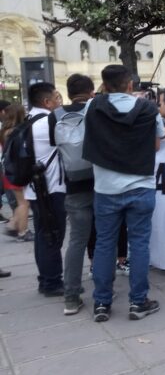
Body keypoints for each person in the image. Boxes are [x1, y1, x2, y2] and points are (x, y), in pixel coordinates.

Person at [83, 64, 164, 322]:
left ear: (104, 86)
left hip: (106, 188)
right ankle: (138, 302)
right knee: (138, 244)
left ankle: (102, 303)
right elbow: (157, 143)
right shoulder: (149, 109)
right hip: (141, 185)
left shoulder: (92, 107)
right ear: (130, 84)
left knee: (105, 244)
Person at [52, 73, 95, 314]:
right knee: (103, 238)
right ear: (91, 92)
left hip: (73, 185)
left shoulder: (55, 116)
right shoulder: (96, 110)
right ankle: (103, 290)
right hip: (100, 182)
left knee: (77, 241)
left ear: (67, 93)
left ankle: (71, 297)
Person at [25, 82, 67, 297]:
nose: (58, 101)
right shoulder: (48, 122)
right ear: (46, 101)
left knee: (43, 234)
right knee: (53, 234)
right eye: (55, 97)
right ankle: (52, 282)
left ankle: (45, 279)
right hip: (51, 188)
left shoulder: (28, 120)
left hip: (34, 189)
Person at [1, 104, 32, 241]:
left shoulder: (4, 131)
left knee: (21, 201)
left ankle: (14, 224)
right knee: (24, 203)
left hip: (8, 170)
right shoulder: (17, 131)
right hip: (17, 170)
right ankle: (22, 231)